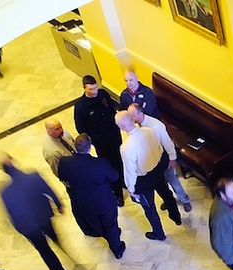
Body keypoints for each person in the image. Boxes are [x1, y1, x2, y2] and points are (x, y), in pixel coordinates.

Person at [0, 153, 68, 270]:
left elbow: (10, 215)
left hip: (28, 228)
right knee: (52, 233)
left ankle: (58, 269)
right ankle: (57, 242)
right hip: (44, 217)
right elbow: (49, 190)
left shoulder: (5, 193)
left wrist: (19, 229)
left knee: (43, 248)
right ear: (14, 162)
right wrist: (59, 204)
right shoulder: (33, 176)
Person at [116, 110, 181, 241]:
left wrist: (131, 189)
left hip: (143, 180)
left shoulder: (126, 148)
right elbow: (159, 148)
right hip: (157, 171)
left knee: (149, 207)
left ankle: (159, 233)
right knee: (166, 193)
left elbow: (130, 171)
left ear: (121, 127)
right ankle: (176, 217)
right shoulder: (148, 131)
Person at [58, 134, 125, 258]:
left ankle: (106, 235)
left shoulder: (65, 162)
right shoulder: (101, 164)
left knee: (97, 224)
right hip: (103, 201)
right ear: (90, 148)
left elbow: (62, 177)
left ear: (75, 146)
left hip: (82, 203)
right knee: (110, 225)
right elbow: (115, 177)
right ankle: (117, 249)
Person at [127, 103, 192, 212]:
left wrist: (172, 158)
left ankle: (185, 200)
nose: (130, 118)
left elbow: (167, 143)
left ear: (141, 114)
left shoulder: (155, 126)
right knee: (162, 182)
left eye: (132, 115)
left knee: (173, 180)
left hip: (165, 158)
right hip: (153, 159)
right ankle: (169, 200)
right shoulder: (138, 125)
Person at [74, 75, 124, 206]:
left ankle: (123, 181)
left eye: (95, 88)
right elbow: (81, 128)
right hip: (102, 143)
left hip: (114, 136)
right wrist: (93, 139)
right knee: (109, 165)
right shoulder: (81, 106)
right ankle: (117, 193)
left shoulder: (103, 94)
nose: (94, 91)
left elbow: (111, 111)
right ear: (84, 88)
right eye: (90, 89)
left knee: (119, 160)